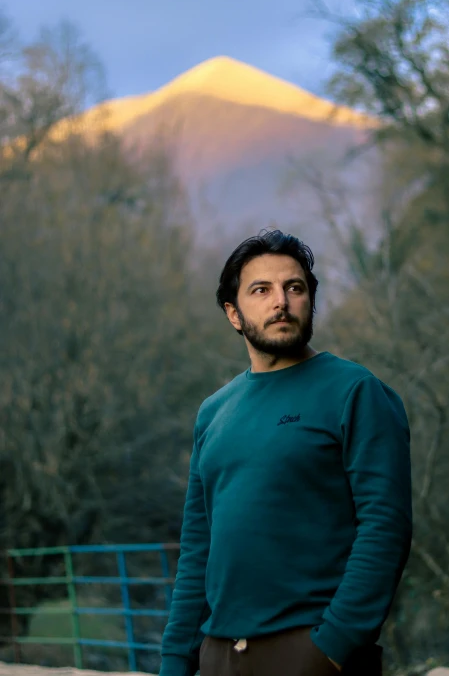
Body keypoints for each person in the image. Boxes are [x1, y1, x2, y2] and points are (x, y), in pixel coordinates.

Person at [159, 229, 412, 676]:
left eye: (294, 288)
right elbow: (199, 548)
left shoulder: (354, 392)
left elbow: (385, 526)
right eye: (261, 290)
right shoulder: (213, 412)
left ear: (310, 301)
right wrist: (176, 661)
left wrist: (332, 647)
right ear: (233, 313)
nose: (281, 301)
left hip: (312, 652)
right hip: (218, 656)